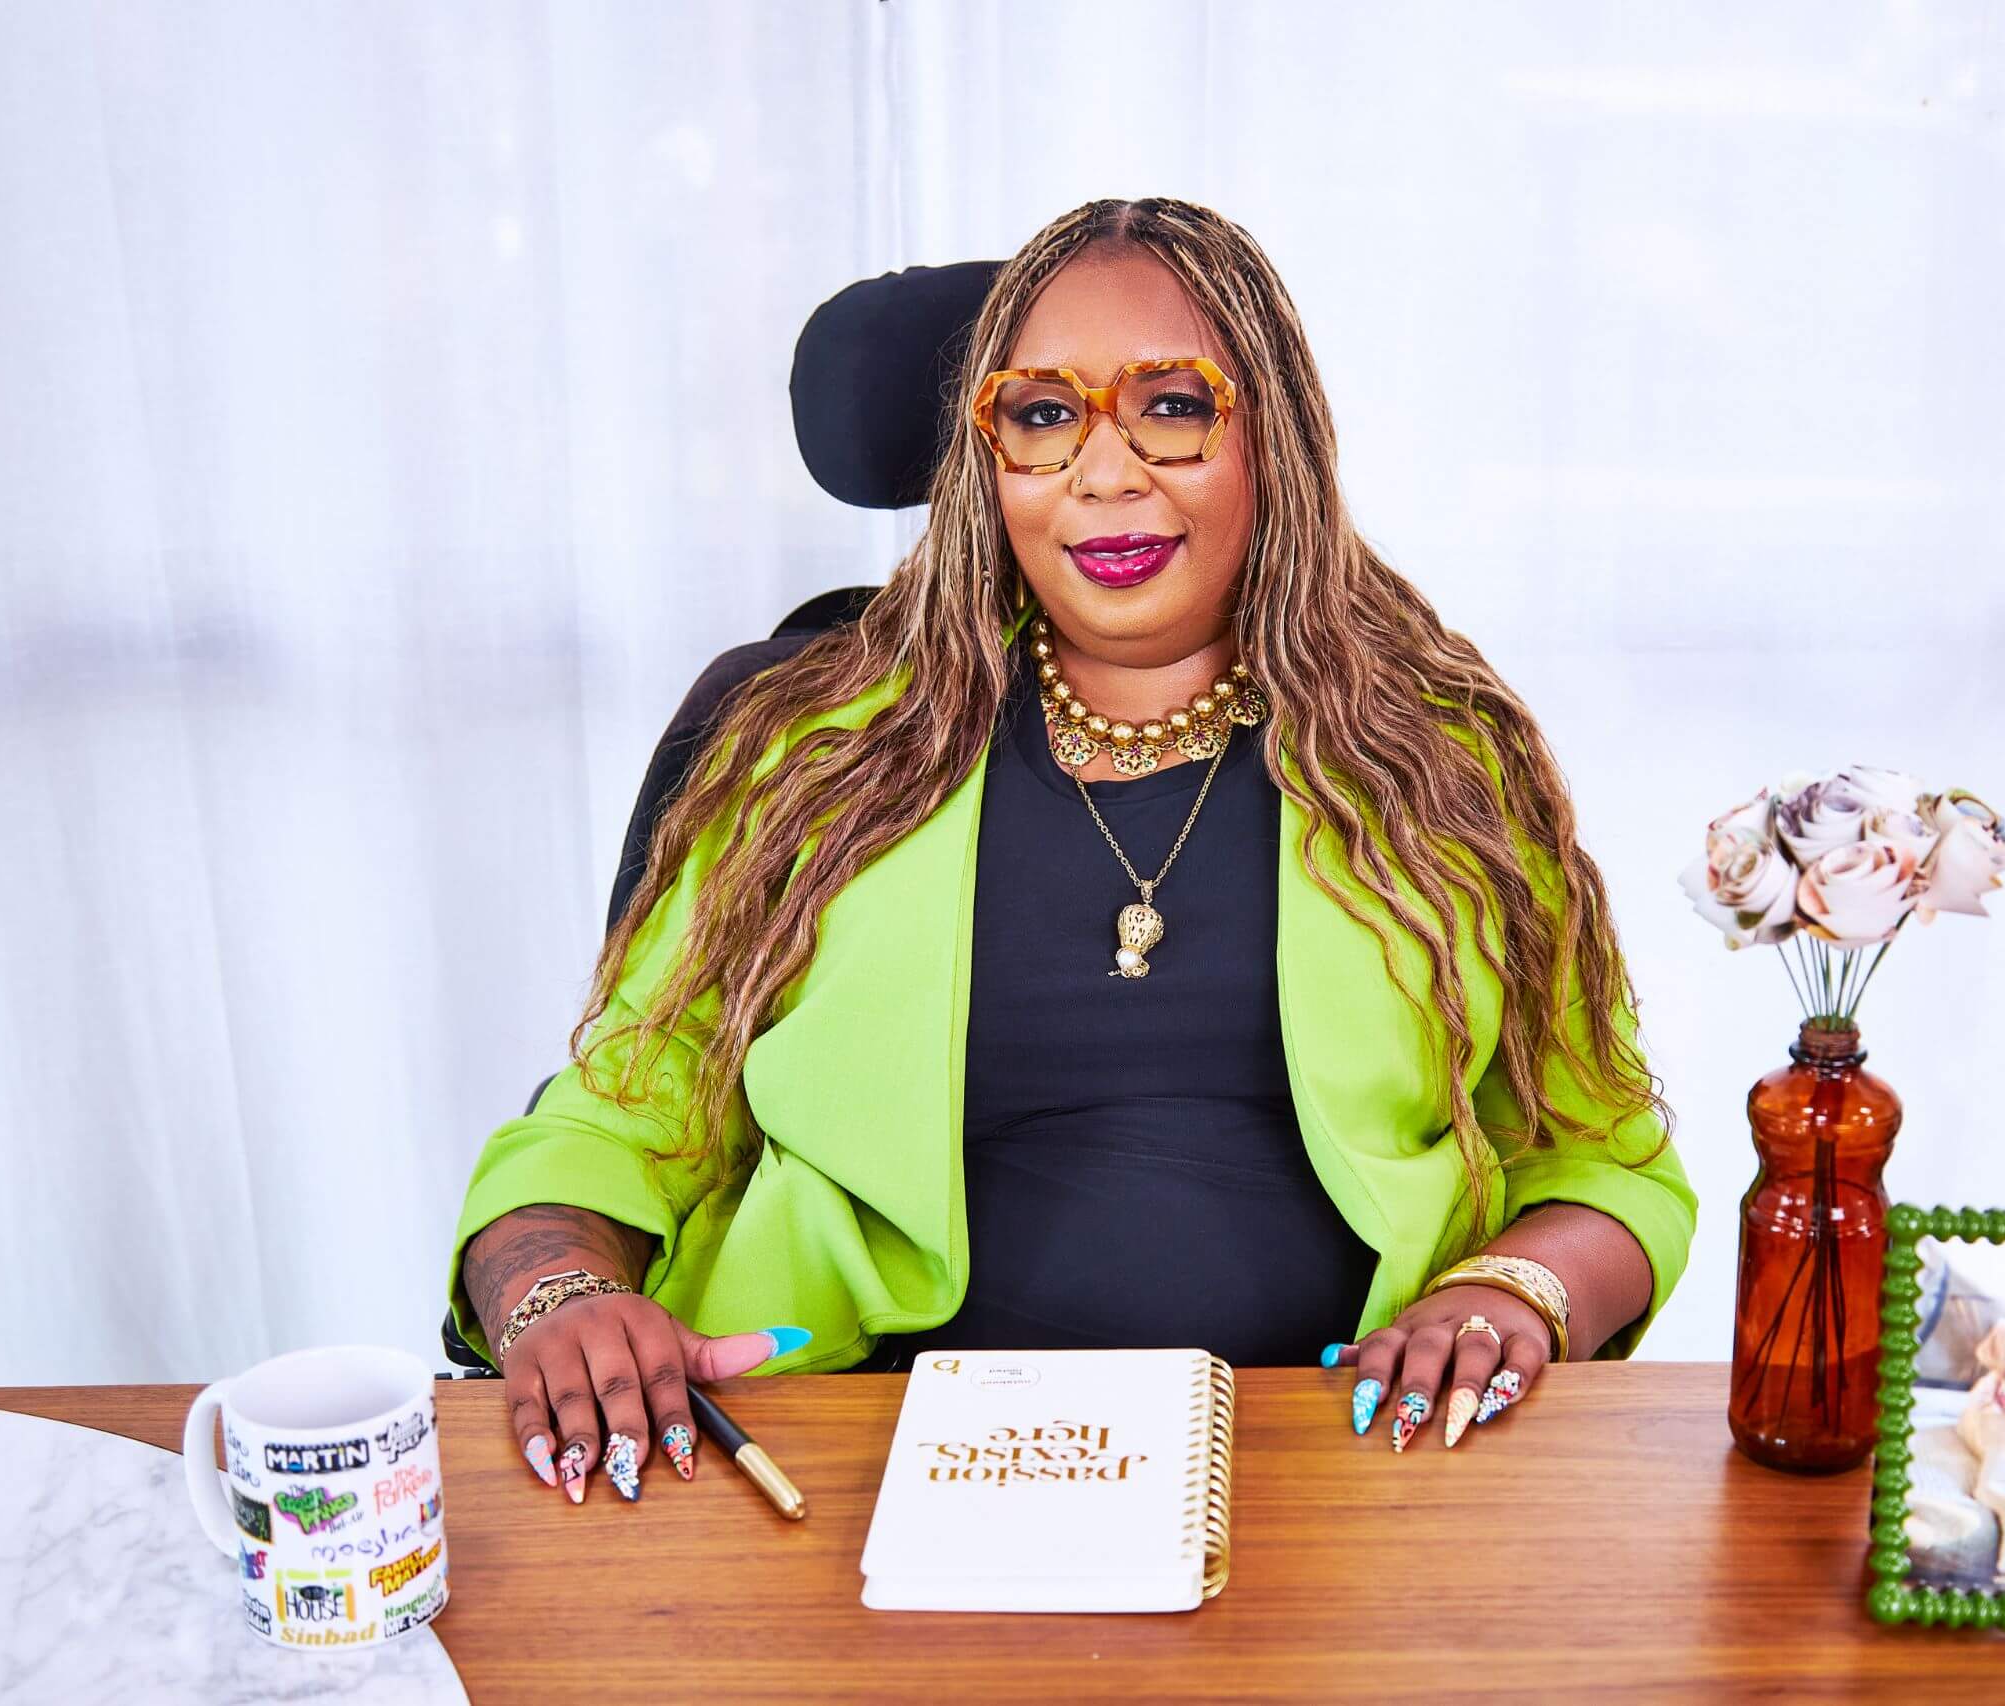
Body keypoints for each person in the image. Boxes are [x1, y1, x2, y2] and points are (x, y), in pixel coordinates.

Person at [449, 196, 1696, 1505]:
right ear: (987, 461)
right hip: (843, 1470)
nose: (1107, 474)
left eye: (1172, 404)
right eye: (1044, 414)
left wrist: (1515, 1290)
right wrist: (563, 1295)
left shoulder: (1432, 763)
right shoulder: (814, 757)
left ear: (1276, 434)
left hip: (1336, 1476)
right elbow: (594, 1135)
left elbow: (1604, 1163)